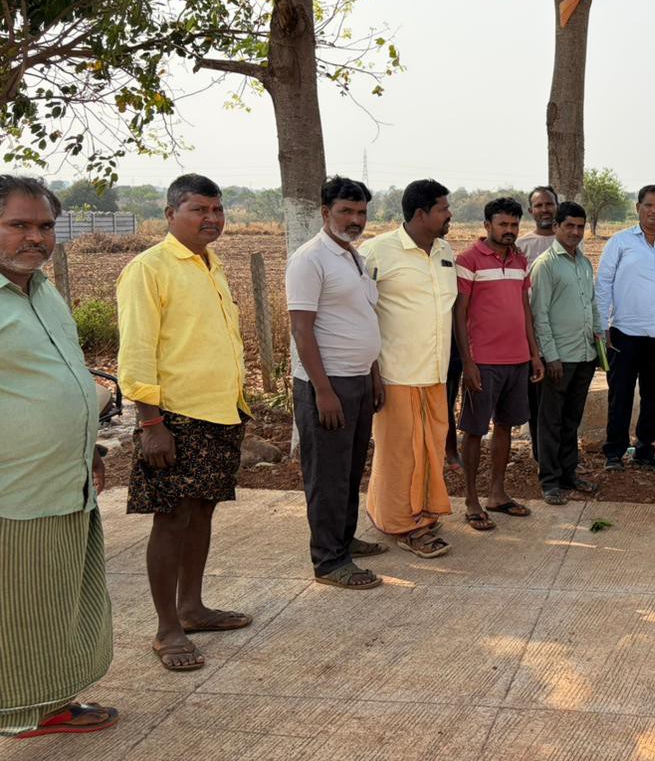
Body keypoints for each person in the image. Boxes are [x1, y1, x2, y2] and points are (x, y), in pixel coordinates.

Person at [117, 174, 254, 672]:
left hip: (220, 412)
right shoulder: (148, 269)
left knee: (202, 513)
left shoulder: (212, 265)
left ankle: (193, 609)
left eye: (217, 210)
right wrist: (150, 421)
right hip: (173, 417)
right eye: (199, 210)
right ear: (171, 214)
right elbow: (136, 350)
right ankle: (167, 629)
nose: (212, 219)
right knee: (171, 519)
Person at [0, 176, 116, 738]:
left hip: (64, 481)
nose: (35, 238)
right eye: (18, 225)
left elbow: (63, 376)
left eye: (44, 226)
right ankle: (21, 712)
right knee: (18, 614)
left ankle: (45, 704)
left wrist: (85, 443)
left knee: (58, 607)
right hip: (13, 493)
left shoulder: (40, 289)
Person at [286, 176, 386, 589]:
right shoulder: (310, 259)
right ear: (325, 213)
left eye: (361, 212)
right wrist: (323, 391)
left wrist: (374, 374)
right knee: (327, 474)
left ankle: (343, 539)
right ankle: (329, 561)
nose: (355, 219)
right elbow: (301, 330)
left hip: (358, 380)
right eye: (346, 211)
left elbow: (365, 318)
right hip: (328, 387)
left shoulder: (352, 256)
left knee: (348, 469)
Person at [360, 179, 455, 559]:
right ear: (421, 214)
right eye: (443, 209)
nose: (450, 214)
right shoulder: (375, 252)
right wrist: (372, 373)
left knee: (431, 448)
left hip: (435, 371)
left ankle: (424, 512)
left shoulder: (445, 250)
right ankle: (400, 523)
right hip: (395, 374)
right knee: (399, 453)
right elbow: (360, 314)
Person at [454, 197, 544, 530]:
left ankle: (497, 494)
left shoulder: (521, 261)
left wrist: (533, 354)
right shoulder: (468, 260)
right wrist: (468, 362)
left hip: (517, 360)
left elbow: (525, 309)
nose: (509, 231)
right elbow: (459, 315)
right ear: (487, 225)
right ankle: (471, 500)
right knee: (475, 430)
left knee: (506, 426)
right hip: (484, 362)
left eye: (514, 225)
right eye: (503, 224)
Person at [595, 184, 655, 472]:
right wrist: (601, 327)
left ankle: (645, 449)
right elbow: (603, 285)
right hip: (624, 332)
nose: (654, 211)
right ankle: (614, 452)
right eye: (649, 205)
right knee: (620, 393)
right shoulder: (620, 243)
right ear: (638, 208)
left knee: (653, 395)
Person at [529, 201, 603, 505]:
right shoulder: (545, 264)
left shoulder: (583, 263)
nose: (575, 232)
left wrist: (599, 343)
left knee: (572, 419)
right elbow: (539, 314)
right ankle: (549, 480)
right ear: (556, 227)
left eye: (579, 226)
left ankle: (569, 472)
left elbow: (593, 305)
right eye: (569, 226)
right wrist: (551, 356)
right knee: (551, 420)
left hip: (585, 355)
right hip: (559, 359)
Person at [517, 185, 558, 461]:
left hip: (563, 334)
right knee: (537, 399)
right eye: (539, 205)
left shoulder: (567, 238)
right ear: (531, 210)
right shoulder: (521, 245)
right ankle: (541, 456)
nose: (544, 210)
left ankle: (559, 455)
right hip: (531, 334)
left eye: (549, 204)